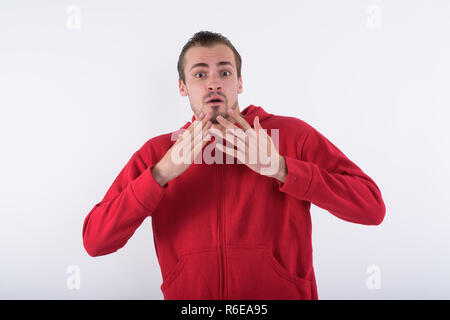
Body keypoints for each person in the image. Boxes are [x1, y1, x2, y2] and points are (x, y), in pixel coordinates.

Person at [82, 31, 386, 300]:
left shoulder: (291, 135)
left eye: (224, 73)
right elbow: (96, 242)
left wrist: (281, 168)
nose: (214, 82)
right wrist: (161, 174)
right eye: (200, 75)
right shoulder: (158, 153)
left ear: (239, 83)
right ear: (182, 87)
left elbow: (371, 208)